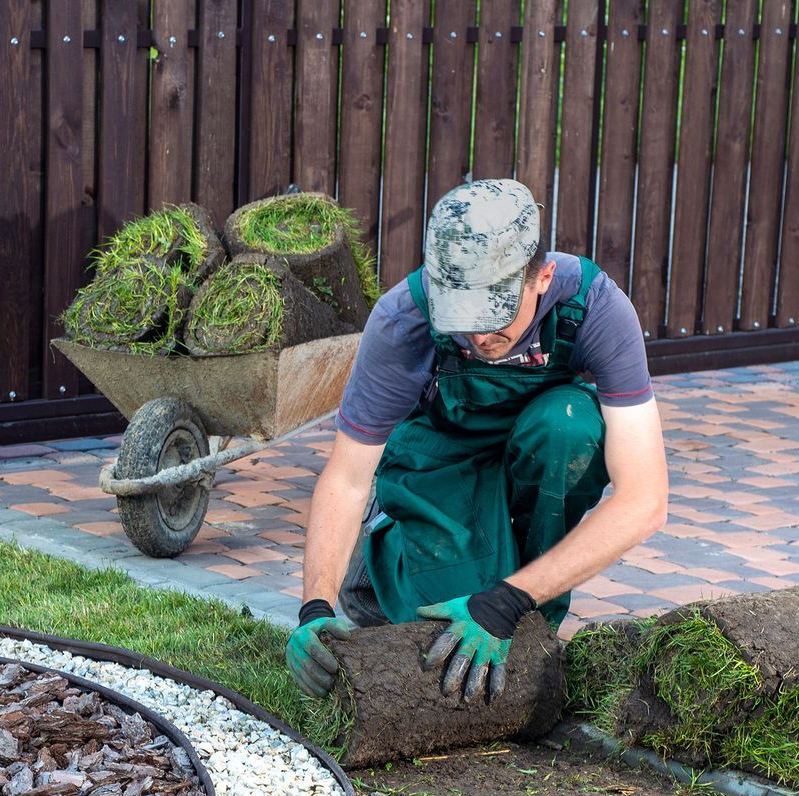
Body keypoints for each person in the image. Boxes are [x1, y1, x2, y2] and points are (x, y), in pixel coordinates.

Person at [285, 179, 669, 703]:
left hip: (534, 453)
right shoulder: (404, 319)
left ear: (543, 278)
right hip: (442, 458)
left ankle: (526, 603)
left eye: (494, 318)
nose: (478, 339)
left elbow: (644, 500)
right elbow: (348, 477)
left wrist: (508, 601)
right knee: (445, 632)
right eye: (462, 321)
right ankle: (372, 576)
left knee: (571, 426)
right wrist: (314, 607)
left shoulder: (595, 308)